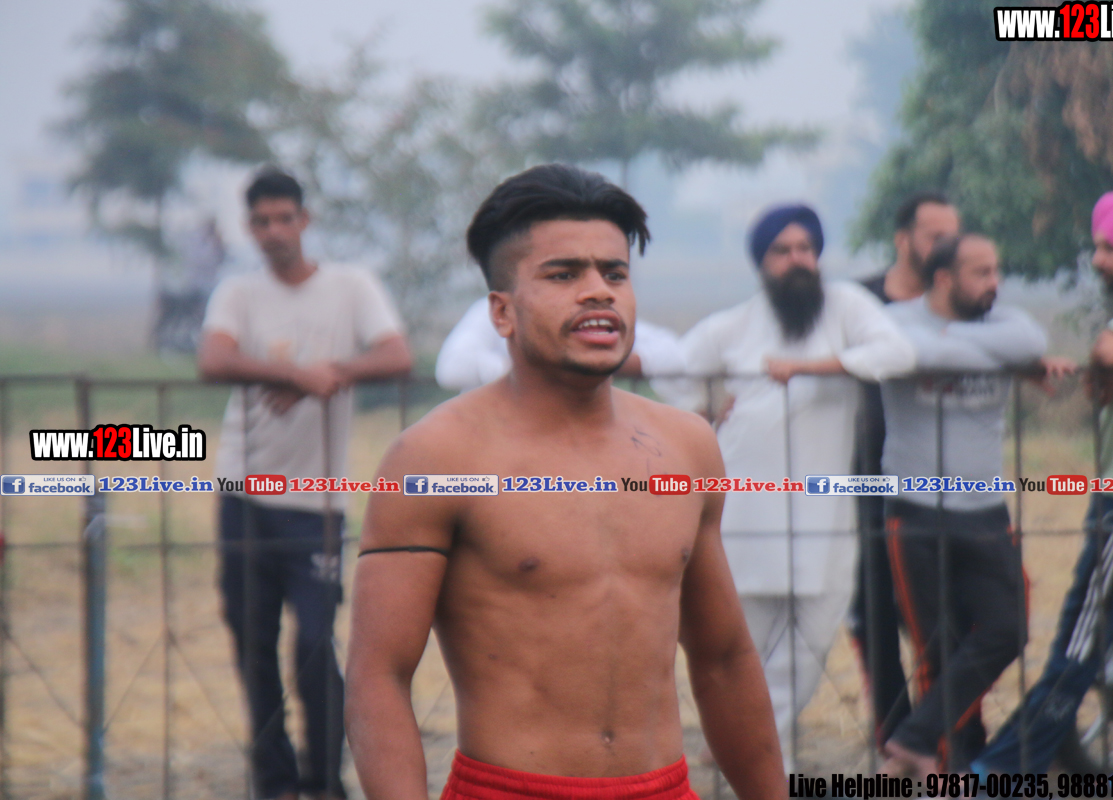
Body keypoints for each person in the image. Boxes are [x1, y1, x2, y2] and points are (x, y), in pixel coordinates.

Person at [346, 164, 786, 800]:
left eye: (614, 273)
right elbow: (378, 677)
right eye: (564, 274)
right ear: (502, 312)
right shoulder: (436, 457)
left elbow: (723, 659)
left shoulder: (686, 447)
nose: (598, 291)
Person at [198, 167, 412, 800]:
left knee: (317, 644)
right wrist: (294, 376)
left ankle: (325, 782)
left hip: (316, 501)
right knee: (252, 642)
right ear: (249, 228)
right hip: (243, 489)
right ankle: (276, 782)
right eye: (261, 221)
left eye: (283, 218)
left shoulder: (351, 286)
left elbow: (396, 355)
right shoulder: (239, 292)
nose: (273, 231)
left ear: (304, 220)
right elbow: (214, 358)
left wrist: (330, 373)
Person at [676, 203, 916, 768]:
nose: (797, 260)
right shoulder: (732, 326)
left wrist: (810, 368)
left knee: (811, 639)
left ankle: (739, 744)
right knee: (744, 648)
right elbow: (679, 377)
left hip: (823, 517)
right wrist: (705, 411)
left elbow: (898, 354)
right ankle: (767, 762)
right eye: (782, 251)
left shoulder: (846, 306)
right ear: (762, 263)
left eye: (806, 248)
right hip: (745, 516)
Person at [972, 189, 1113, 776]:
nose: (1097, 260)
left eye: (1108, 248)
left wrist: (1100, 368)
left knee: (1077, 647)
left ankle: (997, 772)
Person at [878, 234, 1048, 774]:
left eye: (996, 270)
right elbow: (919, 353)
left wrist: (970, 344)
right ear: (944, 278)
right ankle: (952, 764)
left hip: (985, 509)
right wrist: (1006, 358)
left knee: (1007, 628)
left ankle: (913, 740)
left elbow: (1030, 341)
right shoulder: (896, 320)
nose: (994, 283)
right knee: (938, 648)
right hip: (915, 509)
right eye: (981, 272)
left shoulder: (1005, 322)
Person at [850, 191, 960, 749]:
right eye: (934, 235)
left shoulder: (959, 301)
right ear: (902, 240)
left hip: (948, 478)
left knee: (945, 613)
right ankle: (893, 735)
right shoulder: (858, 302)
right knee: (872, 609)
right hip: (869, 474)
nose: (946, 246)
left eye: (952, 235)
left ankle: (943, 736)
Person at [435, 295, 685, 394]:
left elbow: (673, 355)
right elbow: (451, 369)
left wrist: (596, 363)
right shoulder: (490, 313)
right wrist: (541, 372)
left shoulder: (594, 313)